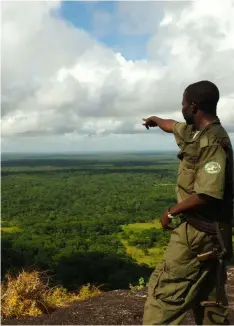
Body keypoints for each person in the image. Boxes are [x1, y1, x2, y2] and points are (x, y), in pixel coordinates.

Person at [142, 80, 233, 325]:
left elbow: (207, 193)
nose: (181, 108)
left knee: (164, 295)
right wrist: (156, 120)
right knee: (210, 301)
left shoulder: (213, 142)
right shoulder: (196, 133)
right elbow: (173, 126)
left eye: (183, 104)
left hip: (199, 232)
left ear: (193, 106)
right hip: (210, 233)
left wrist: (171, 212)